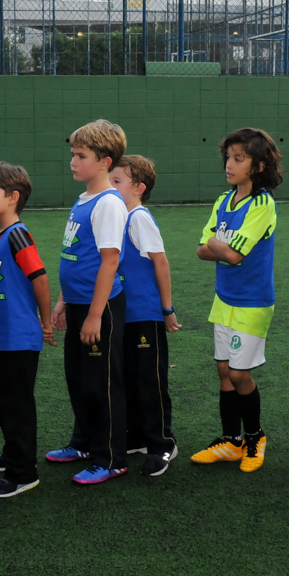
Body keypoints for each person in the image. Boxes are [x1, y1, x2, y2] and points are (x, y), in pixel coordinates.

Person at [191, 129, 282, 473]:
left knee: (240, 374)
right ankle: (230, 441)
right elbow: (203, 250)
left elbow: (231, 255)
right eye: (228, 157)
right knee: (223, 371)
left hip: (253, 302)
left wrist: (217, 244)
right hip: (224, 299)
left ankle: (255, 436)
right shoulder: (223, 201)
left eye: (238, 159)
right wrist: (219, 246)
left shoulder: (263, 205)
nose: (229, 164)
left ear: (258, 165)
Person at [46, 120, 130, 485]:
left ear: (104, 162)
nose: (73, 162)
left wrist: (96, 316)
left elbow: (110, 261)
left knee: (102, 383)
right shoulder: (84, 199)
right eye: (73, 154)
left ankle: (110, 457)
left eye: (81, 156)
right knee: (79, 379)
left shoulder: (109, 203)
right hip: (80, 304)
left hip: (102, 309)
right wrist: (65, 301)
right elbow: (77, 256)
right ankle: (83, 443)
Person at [0, 162, 56, 498]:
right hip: (3, 334)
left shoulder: (17, 234)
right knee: (2, 397)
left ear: (12, 197)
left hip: (20, 335)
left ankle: (24, 472)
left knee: (17, 403)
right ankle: (13, 454)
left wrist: (47, 322)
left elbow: (39, 277)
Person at [110, 155, 181, 477]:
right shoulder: (117, 217)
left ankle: (162, 442)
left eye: (117, 182)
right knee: (130, 379)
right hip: (123, 314)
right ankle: (137, 437)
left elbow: (160, 262)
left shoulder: (138, 217)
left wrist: (166, 309)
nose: (110, 188)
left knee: (149, 381)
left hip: (144, 316)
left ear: (138, 188)